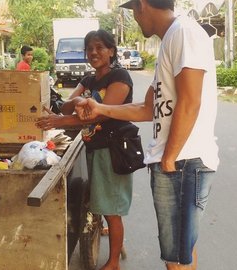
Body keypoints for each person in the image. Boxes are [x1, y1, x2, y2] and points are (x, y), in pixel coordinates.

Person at [75, 0, 218, 269]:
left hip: (183, 162)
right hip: (177, 162)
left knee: (175, 257)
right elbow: (147, 108)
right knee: (181, 250)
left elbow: (190, 101)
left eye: (133, 12)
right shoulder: (170, 41)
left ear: (142, 6)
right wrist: (99, 107)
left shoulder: (183, 32)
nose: (135, 19)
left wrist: (169, 158)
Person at [35, 29, 134, 270]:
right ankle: (114, 243)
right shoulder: (89, 80)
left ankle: (113, 263)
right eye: (89, 48)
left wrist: (61, 119)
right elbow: (67, 107)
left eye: (100, 47)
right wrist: (79, 102)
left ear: (111, 51)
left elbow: (101, 114)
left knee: (112, 209)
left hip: (113, 150)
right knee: (100, 200)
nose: (93, 52)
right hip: (93, 147)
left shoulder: (119, 77)